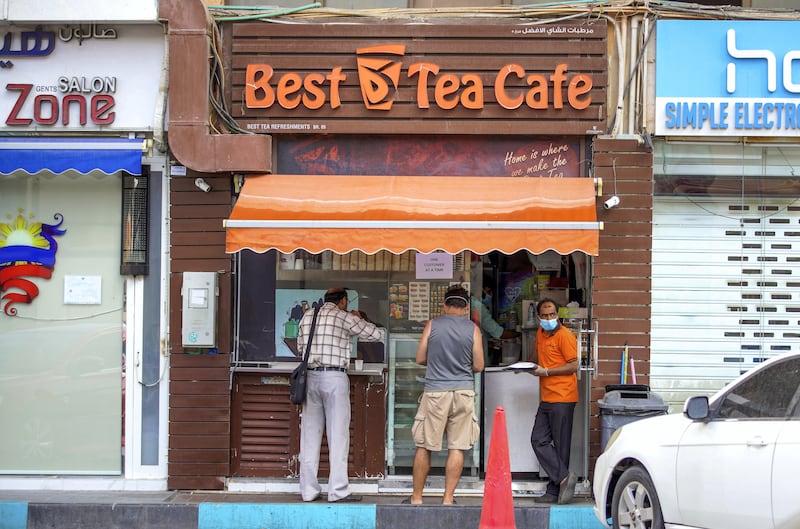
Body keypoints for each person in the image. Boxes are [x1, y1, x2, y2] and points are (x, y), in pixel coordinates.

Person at [297, 286, 383, 503]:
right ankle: (337, 490)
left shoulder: (308, 316)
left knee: (309, 437)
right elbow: (376, 334)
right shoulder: (343, 316)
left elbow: (300, 347)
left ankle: (308, 491)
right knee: (338, 436)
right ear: (343, 301)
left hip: (310, 378)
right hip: (334, 377)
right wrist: (359, 318)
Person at [405, 285, 484, 505]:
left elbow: (420, 358)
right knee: (457, 446)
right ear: (467, 306)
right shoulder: (473, 329)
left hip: (435, 392)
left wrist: (438, 362)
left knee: (424, 445)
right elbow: (479, 365)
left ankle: (417, 498)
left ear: (444, 304)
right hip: (463, 393)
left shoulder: (432, 325)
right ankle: (448, 499)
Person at [528, 298, 579, 505]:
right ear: (539, 317)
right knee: (538, 439)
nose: (549, 318)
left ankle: (554, 490)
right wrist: (526, 366)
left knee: (560, 446)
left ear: (557, 315)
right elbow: (535, 357)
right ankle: (563, 478)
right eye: (545, 315)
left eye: (552, 314)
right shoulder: (541, 333)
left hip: (563, 397)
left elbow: (573, 365)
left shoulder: (565, 336)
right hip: (547, 396)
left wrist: (546, 371)